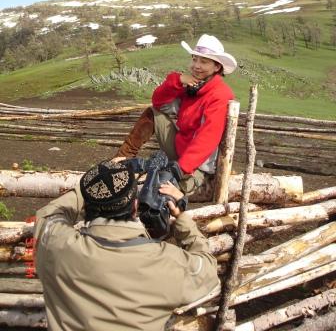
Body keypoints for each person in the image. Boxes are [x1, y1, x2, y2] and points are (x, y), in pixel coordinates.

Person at [34, 159, 220, 331]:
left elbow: (51, 212)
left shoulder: (56, 245)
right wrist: (182, 220)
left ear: (87, 209)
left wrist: (98, 181)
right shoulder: (167, 262)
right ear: (135, 206)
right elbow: (208, 269)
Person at [114, 34, 237, 195]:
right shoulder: (193, 85)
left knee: (158, 192)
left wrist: (179, 169)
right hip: (180, 147)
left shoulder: (219, 95)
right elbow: (158, 102)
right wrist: (178, 80)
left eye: (204, 61)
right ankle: (121, 159)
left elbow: (207, 138)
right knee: (153, 113)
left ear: (217, 67)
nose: (196, 65)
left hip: (198, 163)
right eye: (194, 59)